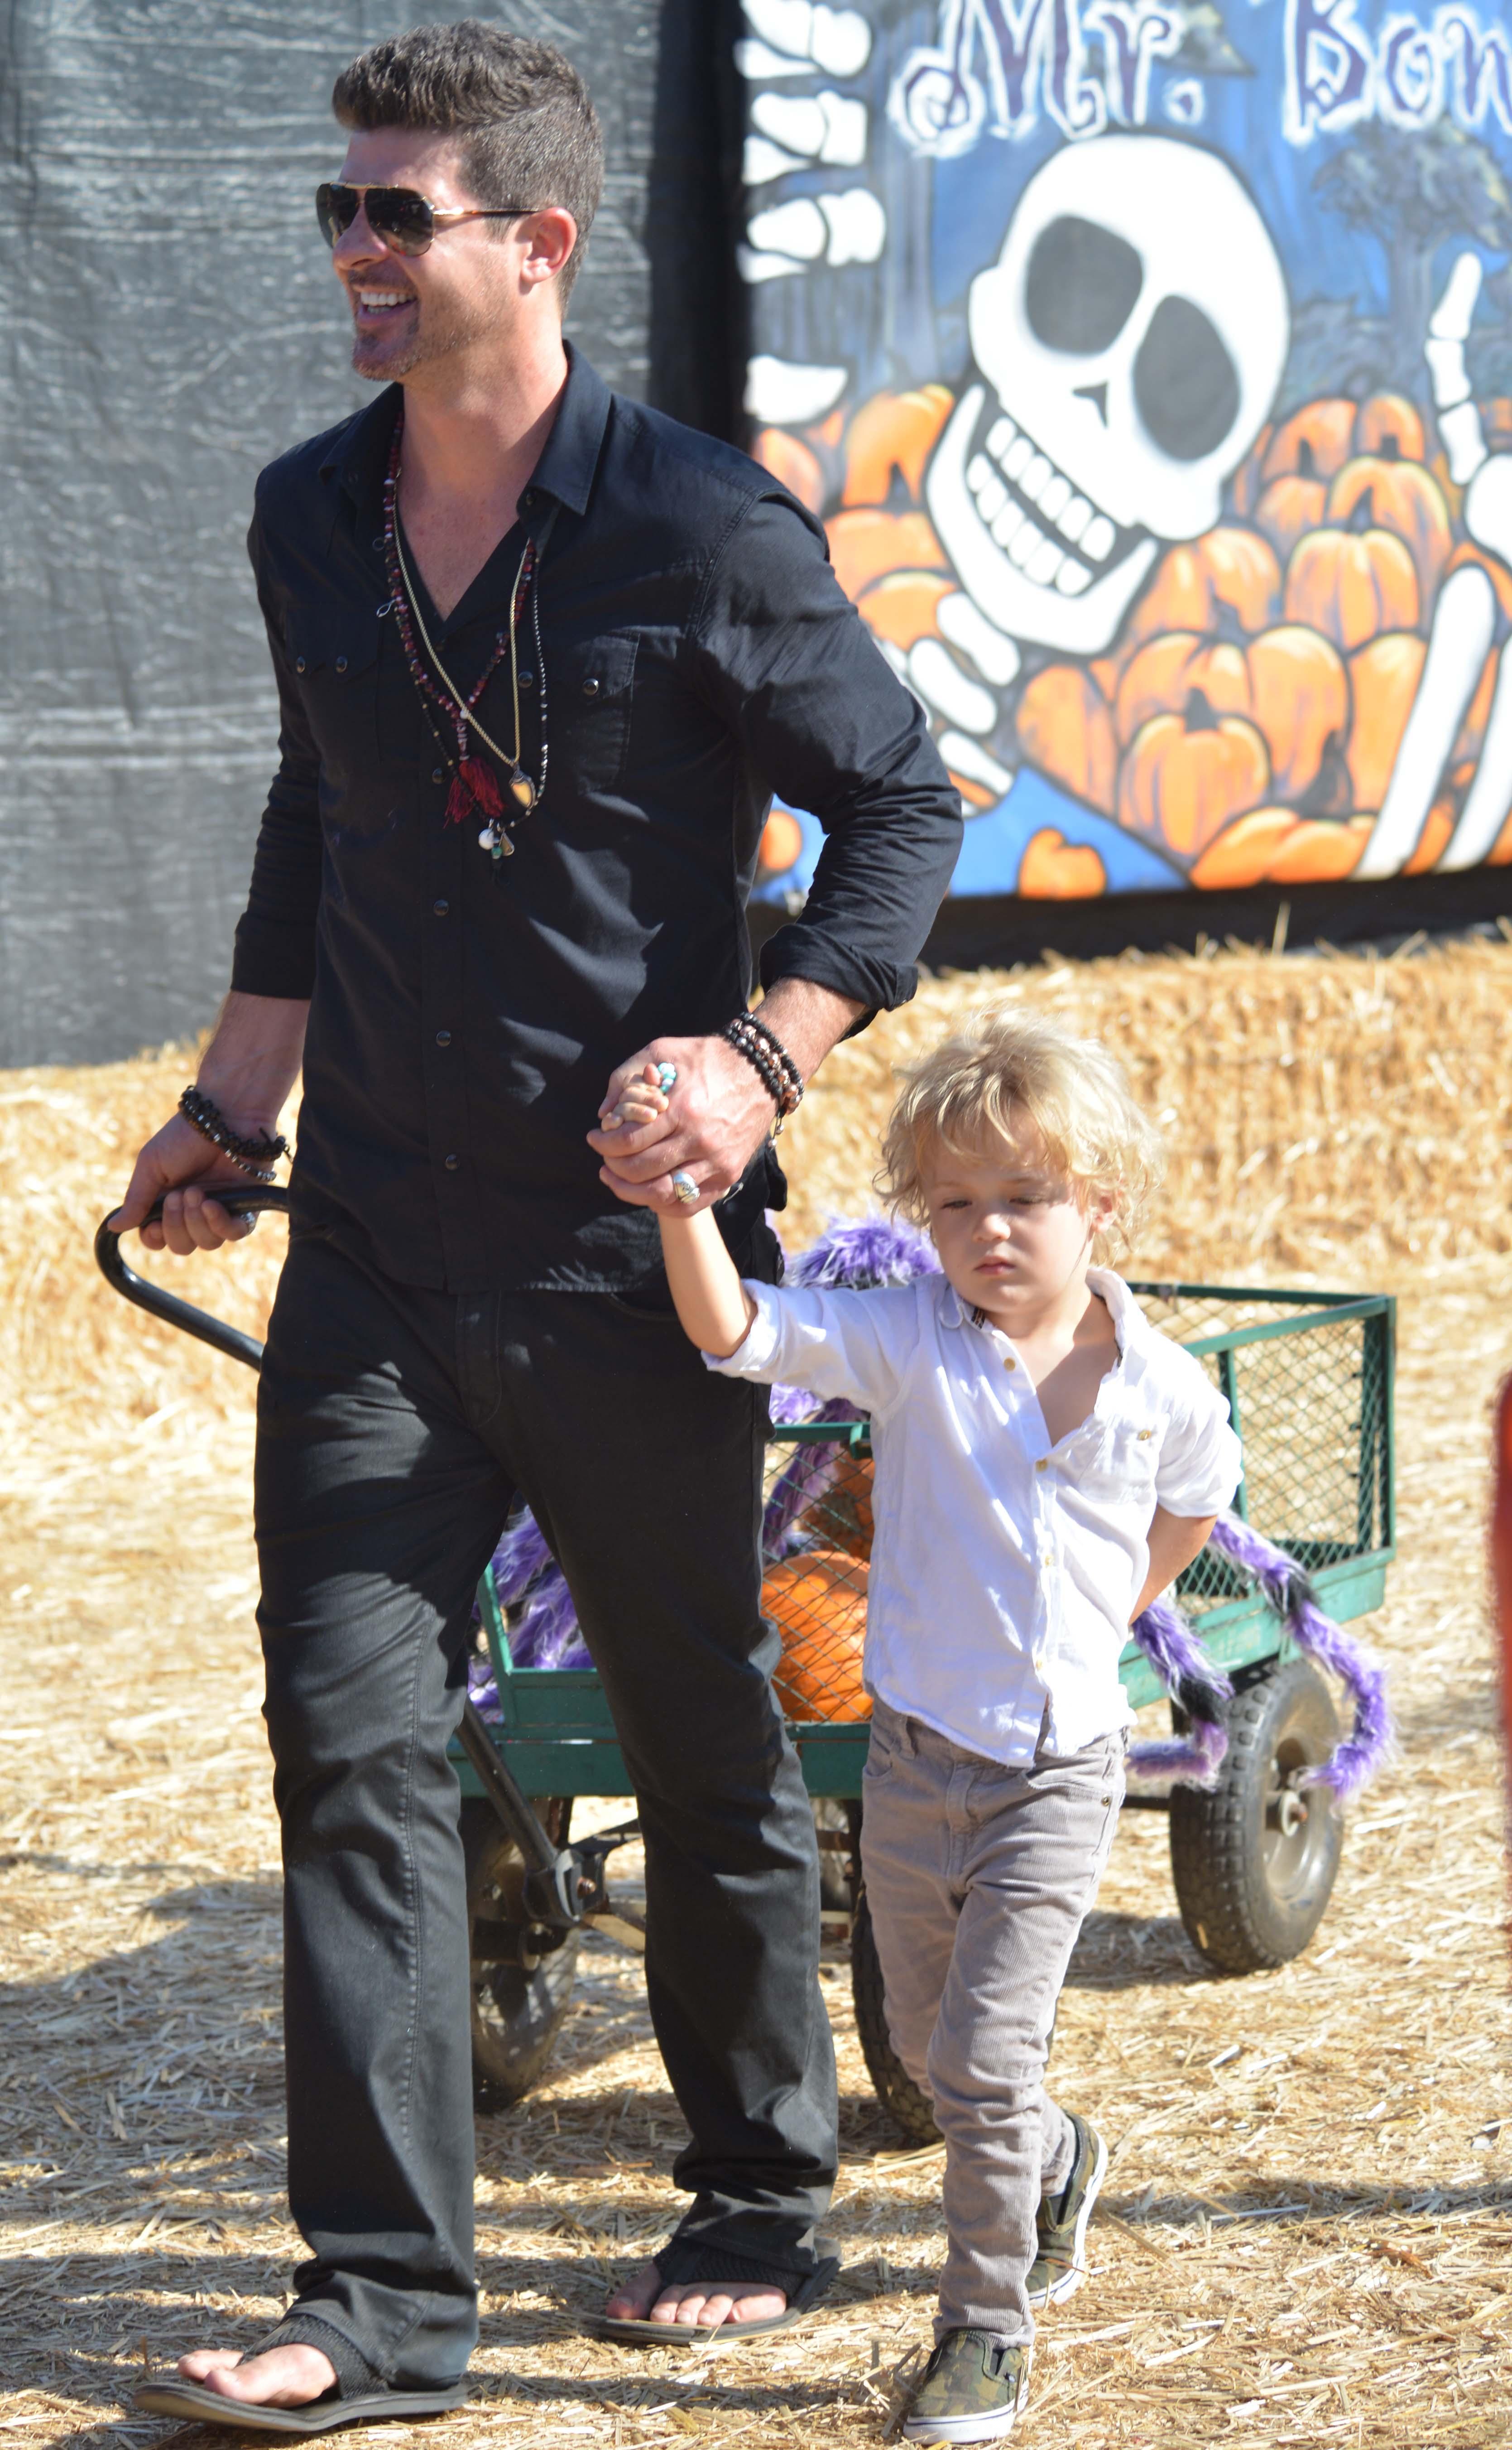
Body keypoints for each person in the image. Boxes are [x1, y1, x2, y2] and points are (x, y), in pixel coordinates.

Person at [112, 20, 962, 2431]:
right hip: (372, 1248)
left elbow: (900, 818)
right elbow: (323, 815)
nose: (355, 254)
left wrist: (755, 1056)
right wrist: (222, 1103)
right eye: (338, 211)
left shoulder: (696, 527)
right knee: (350, 1747)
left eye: (399, 213)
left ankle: (755, 2184)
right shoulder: (308, 515)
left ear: (534, 240)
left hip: (631, 1262)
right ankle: (377, 2309)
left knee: (701, 1733)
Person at [605, 1004, 1241, 2443]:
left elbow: (1201, 1491)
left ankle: (981, 2331)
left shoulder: (1156, 1383)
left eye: (1023, 1198)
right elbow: (736, 1330)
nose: (988, 1230)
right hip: (911, 1763)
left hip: (1058, 1772)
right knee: (925, 2044)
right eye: (954, 1203)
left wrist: (1114, 1612)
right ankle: (1057, 2156)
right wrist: (684, 1202)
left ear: (1099, 1204)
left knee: (978, 2063)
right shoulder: (906, 1341)